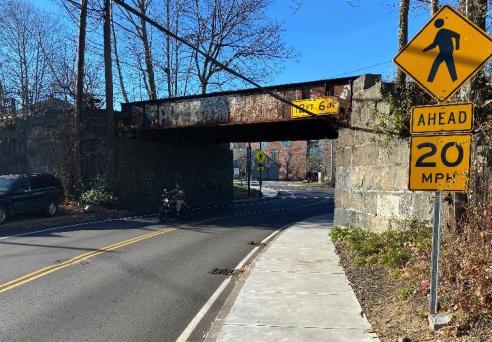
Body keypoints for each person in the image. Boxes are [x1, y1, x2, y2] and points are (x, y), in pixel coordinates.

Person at [422, 18, 460, 83]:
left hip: (447, 52)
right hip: (442, 52)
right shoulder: (439, 32)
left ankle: (455, 81)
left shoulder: (444, 31)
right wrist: (424, 50)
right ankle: (429, 82)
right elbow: (434, 45)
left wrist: (457, 47)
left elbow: (457, 35)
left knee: (449, 67)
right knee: (437, 65)